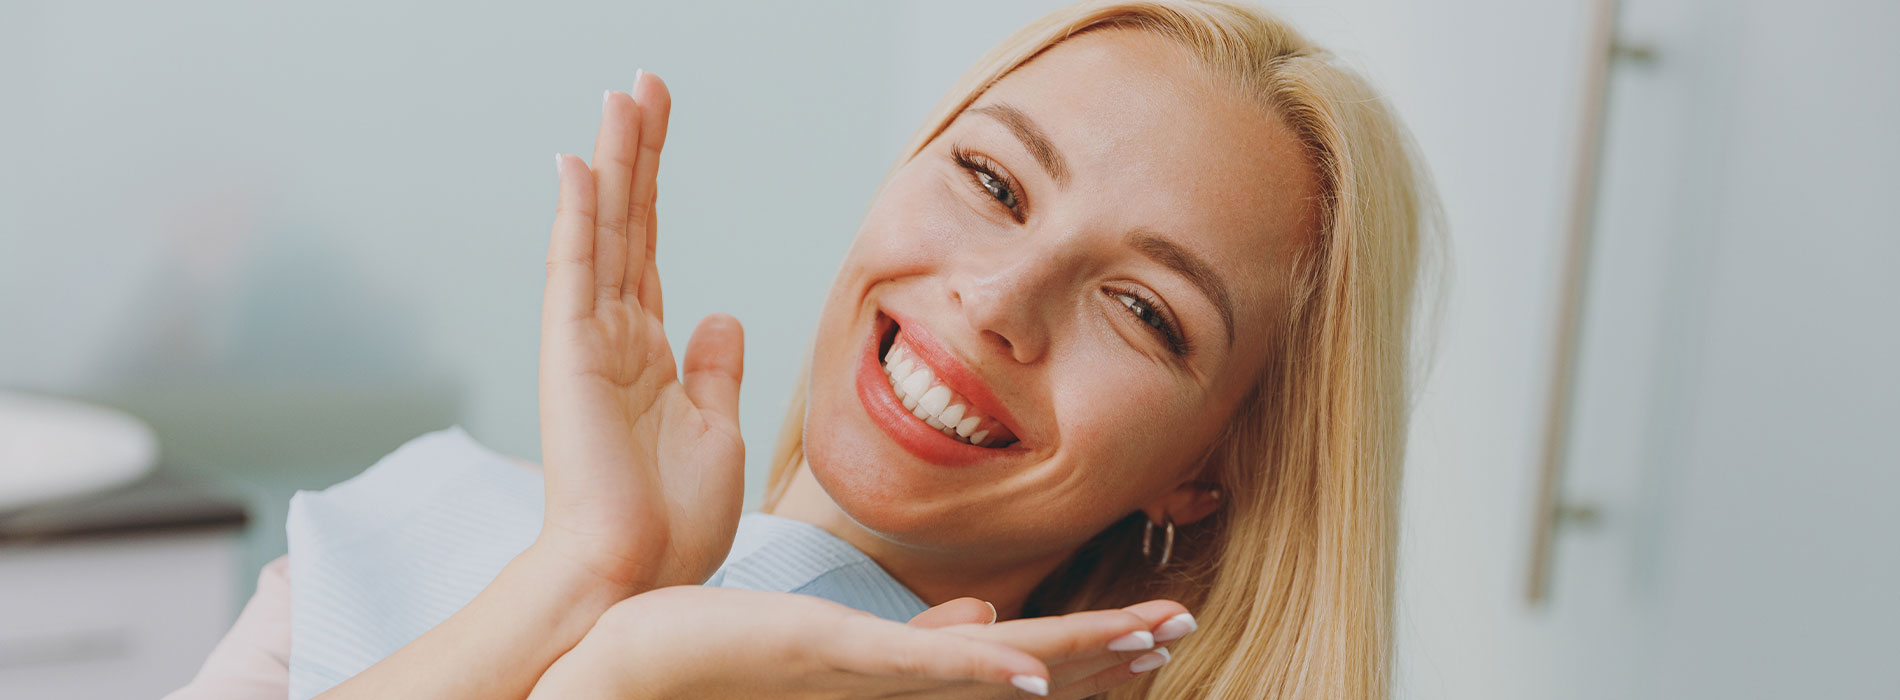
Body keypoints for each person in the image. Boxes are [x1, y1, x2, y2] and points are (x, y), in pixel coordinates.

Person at [167, 0, 1433, 697]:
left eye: (1145, 309)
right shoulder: (432, 522)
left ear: (1206, 469)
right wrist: (581, 580)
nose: (998, 296)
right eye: (992, 178)